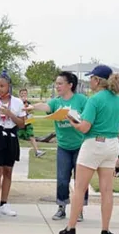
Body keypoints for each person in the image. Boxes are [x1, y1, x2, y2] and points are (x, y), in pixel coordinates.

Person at [59, 65, 119, 234]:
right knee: (106, 190)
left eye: (91, 78)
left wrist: (72, 121)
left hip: (93, 143)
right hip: (111, 144)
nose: (89, 81)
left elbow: (85, 127)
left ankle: (71, 228)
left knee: (80, 187)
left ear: (97, 80)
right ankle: (105, 230)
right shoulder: (118, 99)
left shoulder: (94, 100)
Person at [30, 72, 88, 220]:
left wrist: (74, 117)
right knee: (62, 179)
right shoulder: (56, 102)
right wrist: (33, 106)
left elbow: (89, 117)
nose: (57, 86)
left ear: (70, 85)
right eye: (56, 84)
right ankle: (61, 207)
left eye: (60, 83)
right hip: (63, 146)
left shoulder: (81, 100)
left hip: (80, 145)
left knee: (80, 179)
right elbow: (46, 106)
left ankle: (79, 209)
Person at [0, 72, 26, 219]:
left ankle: (4, 203)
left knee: (8, 171)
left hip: (11, 136)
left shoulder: (17, 102)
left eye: (2, 86)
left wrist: (9, 114)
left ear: (9, 86)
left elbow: (21, 124)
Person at [17, 88, 43, 158]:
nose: (23, 95)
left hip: (27, 123)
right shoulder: (17, 102)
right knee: (16, 137)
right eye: (22, 93)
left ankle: (37, 151)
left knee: (31, 136)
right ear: (19, 94)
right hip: (20, 123)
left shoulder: (28, 103)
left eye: (25, 93)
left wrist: (29, 114)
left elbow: (31, 113)